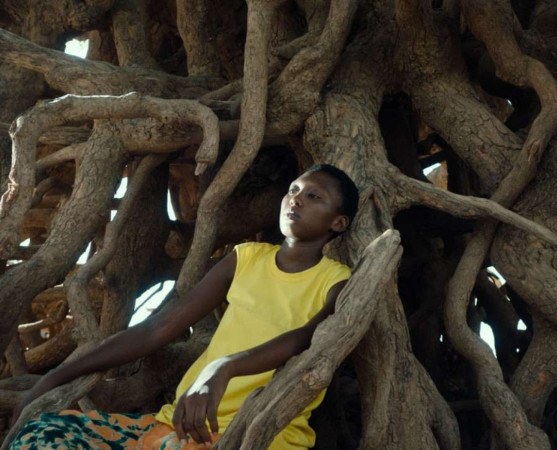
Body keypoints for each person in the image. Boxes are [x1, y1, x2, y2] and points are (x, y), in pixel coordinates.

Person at [10, 164, 359, 450]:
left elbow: (306, 340)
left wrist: (224, 367)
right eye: (294, 190)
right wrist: (55, 376)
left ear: (338, 223)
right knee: (45, 435)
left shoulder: (337, 281)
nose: (296, 200)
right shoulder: (247, 258)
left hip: (260, 437)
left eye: (314, 196)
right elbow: (158, 329)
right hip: (177, 429)